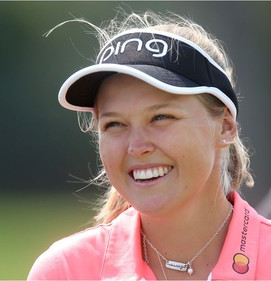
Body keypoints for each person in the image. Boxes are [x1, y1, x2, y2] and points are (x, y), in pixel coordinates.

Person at [27, 10, 271, 280]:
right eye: (115, 124)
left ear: (225, 127)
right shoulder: (64, 270)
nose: (136, 146)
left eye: (160, 117)